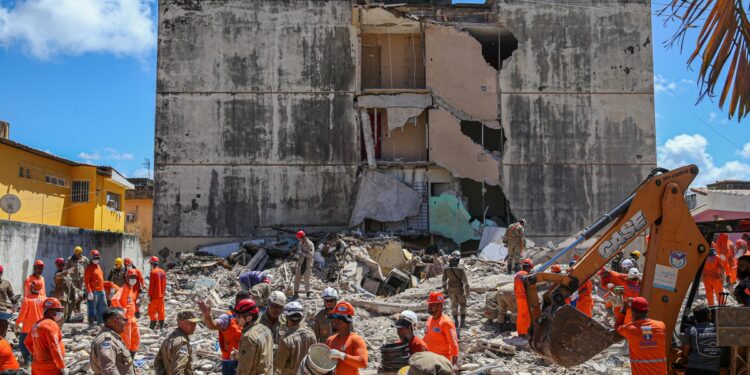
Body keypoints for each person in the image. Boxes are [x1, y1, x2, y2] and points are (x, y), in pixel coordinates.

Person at [197, 292, 251, 375]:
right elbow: (213, 325)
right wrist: (207, 315)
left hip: (246, 358)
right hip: (231, 361)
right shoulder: (227, 317)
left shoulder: (249, 317)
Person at [614, 297, 666, 375]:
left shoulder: (630, 329)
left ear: (633, 312)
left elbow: (617, 326)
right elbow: (646, 330)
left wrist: (624, 308)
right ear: (647, 311)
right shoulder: (661, 325)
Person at [24, 297, 67, 374]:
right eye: (58, 310)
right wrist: (62, 366)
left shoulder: (37, 324)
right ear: (51, 312)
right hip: (50, 367)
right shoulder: (51, 325)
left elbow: (27, 342)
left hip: (37, 364)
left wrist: (38, 355)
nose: (60, 313)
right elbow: (55, 346)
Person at [326, 301, 368, 375]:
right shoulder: (330, 340)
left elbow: (363, 362)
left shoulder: (356, 340)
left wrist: (342, 355)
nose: (331, 323)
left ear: (342, 322)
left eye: (333, 320)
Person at [274, 301, 316, 375]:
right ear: (301, 316)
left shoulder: (286, 340)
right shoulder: (311, 334)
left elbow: (279, 365)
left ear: (286, 317)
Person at [90, 307, 136, 375]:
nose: (126, 323)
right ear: (115, 321)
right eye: (124, 320)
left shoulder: (113, 338)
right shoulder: (107, 341)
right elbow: (108, 369)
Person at [154, 310, 200, 375]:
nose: (194, 326)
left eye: (195, 323)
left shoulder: (169, 338)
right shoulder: (182, 343)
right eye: (191, 323)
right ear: (180, 323)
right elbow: (178, 370)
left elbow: (158, 363)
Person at [234, 299, 273, 375]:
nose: (236, 319)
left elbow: (244, 370)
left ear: (249, 318)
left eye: (239, 316)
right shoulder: (266, 329)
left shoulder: (248, 337)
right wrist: (240, 356)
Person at [680, 304, 721, 375]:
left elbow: (685, 351)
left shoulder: (691, 330)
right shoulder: (720, 330)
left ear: (696, 318)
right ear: (709, 315)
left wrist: (684, 357)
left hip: (693, 370)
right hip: (713, 371)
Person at [423, 292, 458, 367]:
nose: (429, 307)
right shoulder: (429, 319)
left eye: (432, 305)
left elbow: (454, 345)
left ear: (440, 306)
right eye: (429, 304)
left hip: (441, 362)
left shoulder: (446, 322)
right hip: (429, 359)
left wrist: (453, 365)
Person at [111, 269, 141, 356]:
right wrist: (122, 310)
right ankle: (124, 361)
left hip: (132, 319)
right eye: (131, 277)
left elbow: (130, 302)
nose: (133, 279)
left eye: (135, 277)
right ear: (126, 278)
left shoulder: (131, 288)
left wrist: (136, 310)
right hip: (126, 320)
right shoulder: (123, 288)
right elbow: (114, 300)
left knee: (136, 339)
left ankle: (131, 359)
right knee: (126, 342)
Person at [17, 279, 45, 365]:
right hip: (39, 328)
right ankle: (35, 360)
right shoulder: (44, 299)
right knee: (35, 345)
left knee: (22, 344)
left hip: (27, 328)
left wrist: (17, 323)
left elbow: (22, 313)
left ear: (31, 288)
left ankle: (28, 361)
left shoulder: (27, 299)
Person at [442, 251, 470, 328]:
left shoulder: (446, 269)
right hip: (459, 290)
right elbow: (465, 282)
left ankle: (456, 322)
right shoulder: (460, 269)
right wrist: (468, 293)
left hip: (451, 290)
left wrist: (445, 290)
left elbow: (444, 281)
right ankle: (463, 323)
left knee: (454, 306)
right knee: (463, 305)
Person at [85, 249, 107, 325]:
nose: (96, 259)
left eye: (97, 258)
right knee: (92, 308)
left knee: (102, 307)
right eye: (94, 258)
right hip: (93, 291)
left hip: (101, 290)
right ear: (91, 258)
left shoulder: (98, 266)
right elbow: (86, 281)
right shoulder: (89, 268)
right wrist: (89, 292)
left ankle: (100, 322)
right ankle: (91, 324)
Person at [66, 246, 89, 314]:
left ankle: (78, 310)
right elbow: (66, 269)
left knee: (80, 295)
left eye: (79, 254)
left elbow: (89, 265)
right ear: (74, 253)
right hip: (73, 280)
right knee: (74, 295)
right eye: (76, 254)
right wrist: (68, 271)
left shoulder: (84, 258)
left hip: (81, 280)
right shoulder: (70, 259)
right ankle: (71, 312)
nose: (77, 255)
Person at [52, 257, 76, 324]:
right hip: (60, 298)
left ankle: (59, 330)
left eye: (62, 265)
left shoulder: (67, 275)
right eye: (60, 265)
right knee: (59, 316)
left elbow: (71, 285)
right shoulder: (57, 274)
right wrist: (67, 271)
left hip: (66, 299)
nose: (61, 266)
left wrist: (75, 293)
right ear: (57, 266)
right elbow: (60, 275)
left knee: (64, 316)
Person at [514, 259, 533, 337]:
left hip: (518, 297)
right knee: (526, 315)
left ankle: (521, 332)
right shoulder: (525, 275)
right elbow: (529, 286)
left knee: (521, 315)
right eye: (530, 269)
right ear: (528, 267)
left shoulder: (517, 274)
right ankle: (524, 332)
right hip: (524, 297)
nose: (530, 270)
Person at [293, 230, 315, 299]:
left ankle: (308, 294)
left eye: (299, 238)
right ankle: (296, 294)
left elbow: (310, 255)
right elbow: (298, 253)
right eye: (298, 238)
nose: (299, 239)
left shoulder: (310, 244)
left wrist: (302, 253)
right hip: (300, 263)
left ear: (303, 237)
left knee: (306, 279)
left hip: (307, 264)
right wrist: (296, 256)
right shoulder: (300, 244)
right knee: (297, 279)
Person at [148, 256, 167, 331]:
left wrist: (149, 296)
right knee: (161, 311)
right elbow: (165, 284)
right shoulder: (163, 272)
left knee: (152, 312)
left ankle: (152, 328)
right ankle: (162, 328)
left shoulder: (153, 272)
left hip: (154, 296)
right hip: (161, 296)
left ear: (152, 264)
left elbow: (151, 286)